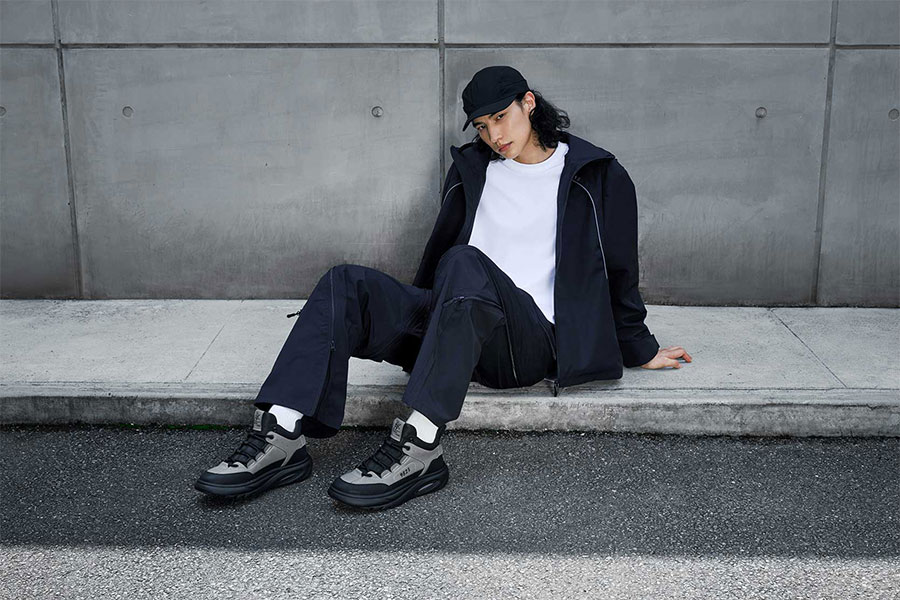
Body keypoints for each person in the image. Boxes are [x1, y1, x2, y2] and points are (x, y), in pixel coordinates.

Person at [194, 65, 692, 510]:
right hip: (456, 320)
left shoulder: (596, 175)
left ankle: (419, 446)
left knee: (465, 261)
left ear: (528, 103)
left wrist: (639, 347)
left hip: (526, 342)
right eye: (482, 126)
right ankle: (281, 436)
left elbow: (621, 270)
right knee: (343, 282)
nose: (494, 135)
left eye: (501, 118)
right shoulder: (473, 168)